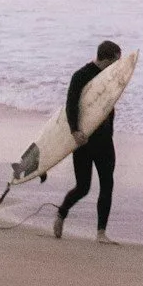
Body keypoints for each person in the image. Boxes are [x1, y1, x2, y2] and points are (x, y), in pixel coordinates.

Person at [53, 40, 122, 242]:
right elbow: (71, 106)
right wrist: (75, 132)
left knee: (107, 184)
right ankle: (61, 214)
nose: (118, 66)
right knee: (83, 187)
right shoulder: (80, 76)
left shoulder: (111, 78)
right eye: (115, 61)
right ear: (106, 59)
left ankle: (101, 232)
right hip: (83, 140)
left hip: (105, 141)